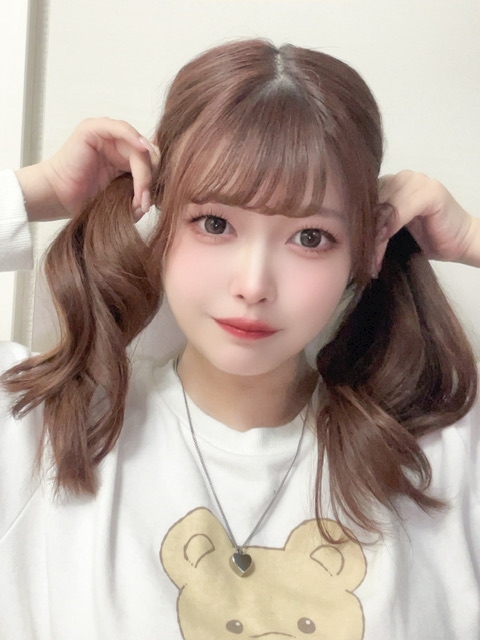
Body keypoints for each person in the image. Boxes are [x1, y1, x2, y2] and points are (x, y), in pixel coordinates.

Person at [0, 39, 479, 640]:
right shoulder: (42, 428)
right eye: (215, 223)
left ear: (363, 251)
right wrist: (38, 192)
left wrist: (470, 238)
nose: (253, 285)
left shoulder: (442, 454)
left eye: (310, 237)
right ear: (163, 220)